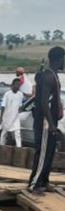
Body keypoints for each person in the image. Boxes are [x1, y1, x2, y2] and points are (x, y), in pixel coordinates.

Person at [28, 46, 65, 194]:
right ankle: (34, 184)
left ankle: (44, 180)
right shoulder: (48, 77)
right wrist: (50, 123)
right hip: (44, 121)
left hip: (51, 120)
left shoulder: (53, 76)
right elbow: (44, 102)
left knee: (50, 151)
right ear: (59, 59)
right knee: (42, 152)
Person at [0, 77, 23, 147]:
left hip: (15, 117)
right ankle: (1, 146)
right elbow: (3, 106)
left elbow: (20, 106)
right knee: (4, 132)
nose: (18, 86)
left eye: (19, 85)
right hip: (7, 117)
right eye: (17, 84)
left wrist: (20, 111)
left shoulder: (20, 94)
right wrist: (1, 118)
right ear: (13, 85)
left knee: (17, 133)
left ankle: (19, 148)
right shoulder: (7, 94)